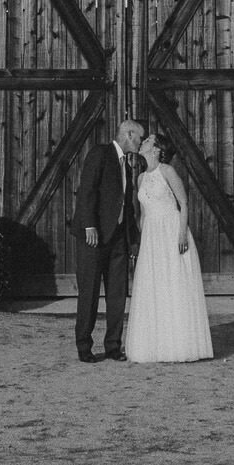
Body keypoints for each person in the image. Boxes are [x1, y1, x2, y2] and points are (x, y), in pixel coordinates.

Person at [122, 131, 214, 363]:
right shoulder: (141, 178)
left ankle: (180, 344)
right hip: (152, 237)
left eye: (148, 140)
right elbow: (142, 214)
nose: (142, 142)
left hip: (171, 231)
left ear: (157, 149)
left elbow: (183, 203)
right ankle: (155, 345)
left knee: (173, 283)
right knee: (155, 286)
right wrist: (142, 245)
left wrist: (182, 233)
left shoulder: (167, 171)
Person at [73, 117, 145, 363]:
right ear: (129, 134)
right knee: (89, 294)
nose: (141, 143)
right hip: (94, 238)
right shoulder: (100, 154)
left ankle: (113, 346)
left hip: (118, 241)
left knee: (117, 295)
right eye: (140, 138)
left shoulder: (127, 165)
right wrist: (89, 225)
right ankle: (84, 347)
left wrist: (133, 240)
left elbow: (127, 206)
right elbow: (87, 190)